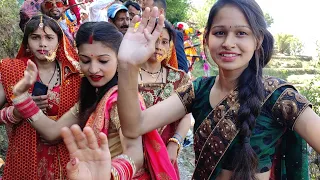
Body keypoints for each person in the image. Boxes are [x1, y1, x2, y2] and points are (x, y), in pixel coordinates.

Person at [116, 1, 320, 179]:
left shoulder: (279, 97)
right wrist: (127, 65)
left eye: (241, 33)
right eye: (220, 32)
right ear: (206, 39)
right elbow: (134, 126)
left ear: (257, 41)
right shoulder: (198, 90)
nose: (228, 43)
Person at [11, 21, 178, 179]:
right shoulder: (93, 94)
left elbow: (135, 154)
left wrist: (107, 174)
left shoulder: (119, 99)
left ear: (120, 59)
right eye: (85, 60)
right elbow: (53, 131)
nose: (93, 69)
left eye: (103, 61)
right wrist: (22, 97)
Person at [0, 14, 81, 179]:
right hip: (23, 157)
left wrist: (59, 133)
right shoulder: (10, 70)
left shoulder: (75, 74)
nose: (42, 43)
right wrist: (16, 112)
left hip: (66, 157)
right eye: (35, 37)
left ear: (60, 41)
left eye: (49, 38)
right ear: (27, 42)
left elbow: (88, 117)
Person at [138, 20, 192, 178]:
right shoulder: (127, 75)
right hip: (132, 153)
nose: (158, 46)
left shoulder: (179, 78)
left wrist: (175, 143)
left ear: (170, 46)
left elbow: (186, 115)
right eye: (154, 40)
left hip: (165, 155)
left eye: (164, 42)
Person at [141, 0, 189, 73]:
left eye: (148, 11)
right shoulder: (139, 33)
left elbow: (182, 68)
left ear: (160, 12)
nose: (143, 14)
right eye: (143, 10)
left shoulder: (174, 34)